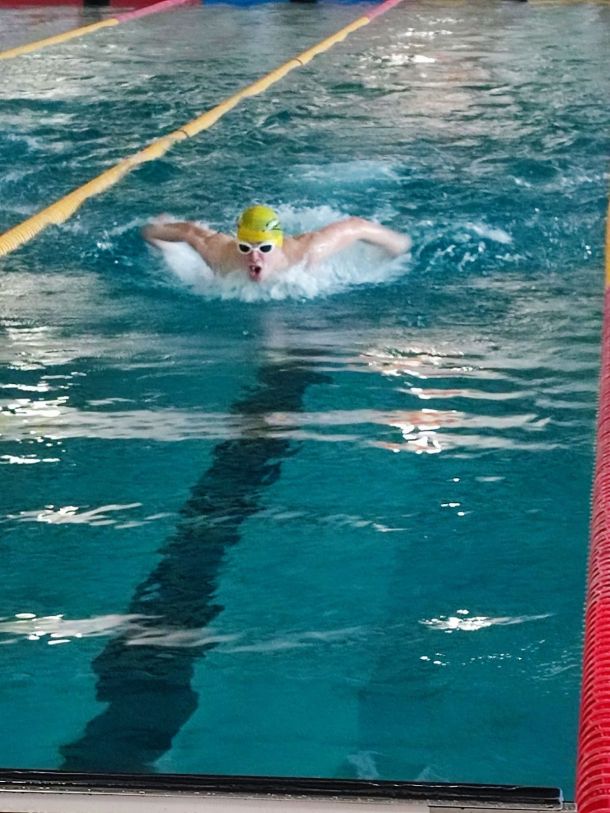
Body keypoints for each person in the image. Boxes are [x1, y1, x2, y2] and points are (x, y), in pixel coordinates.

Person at [142, 205, 411, 283]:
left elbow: (355, 226)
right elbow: (189, 232)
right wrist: (154, 233)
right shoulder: (221, 254)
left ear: (278, 245)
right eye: (245, 247)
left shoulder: (303, 253)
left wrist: (395, 245)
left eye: (264, 248)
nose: (254, 257)